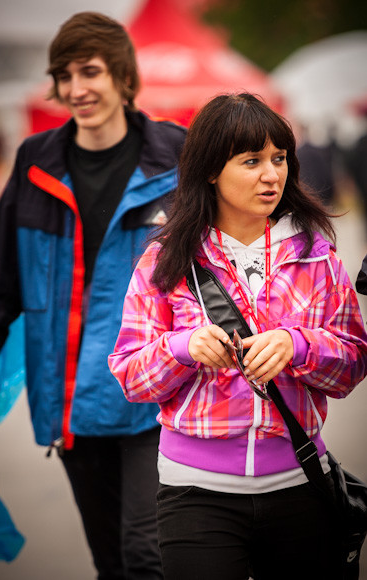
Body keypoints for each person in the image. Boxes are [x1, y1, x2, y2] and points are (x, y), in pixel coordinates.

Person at [108, 93, 367, 580]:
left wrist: (299, 345)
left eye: (279, 158)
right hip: (194, 495)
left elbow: (353, 362)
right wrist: (181, 349)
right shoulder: (165, 261)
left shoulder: (317, 256)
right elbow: (130, 376)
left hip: (301, 484)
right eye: (251, 161)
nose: (272, 175)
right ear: (210, 169)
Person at [0, 11, 186, 580]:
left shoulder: (178, 156)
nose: (75, 89)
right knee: (111, 561)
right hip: (72, 400)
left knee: (148, 554)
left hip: (159, 395)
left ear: (122, 76)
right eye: (63, 75)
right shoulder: (35, 162)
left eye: (89, 72)